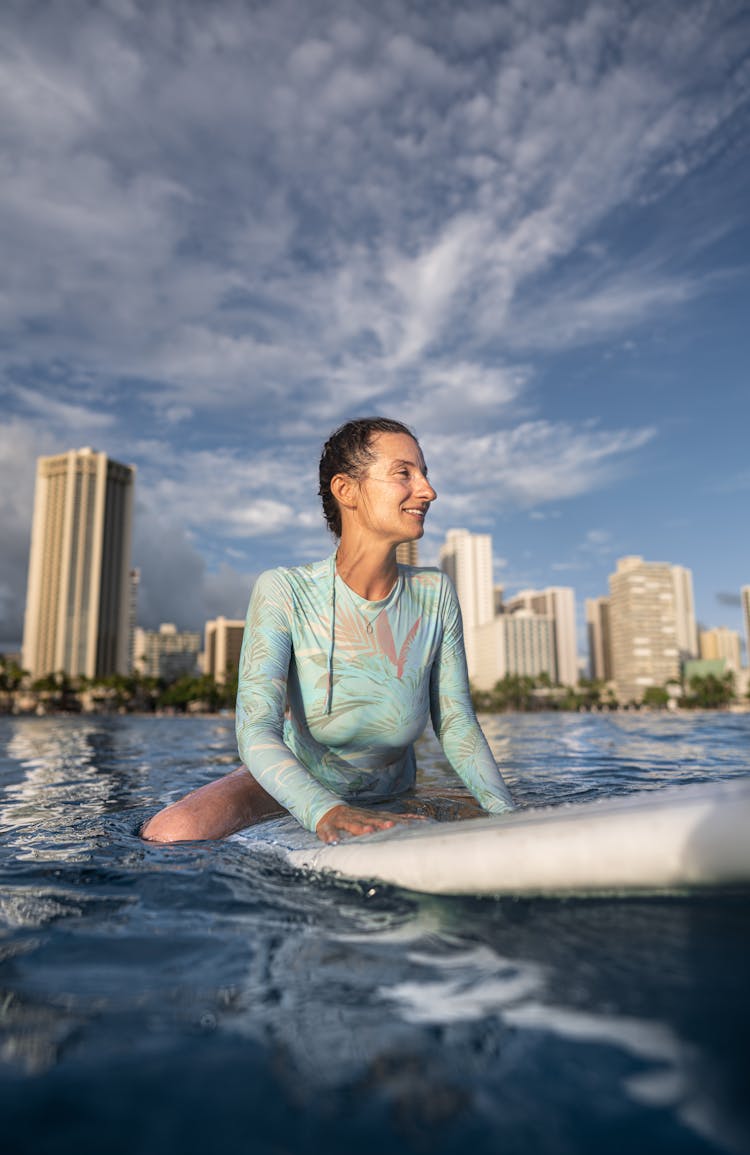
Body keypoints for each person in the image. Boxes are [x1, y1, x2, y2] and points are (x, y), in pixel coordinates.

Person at [142, 417, 513, 845]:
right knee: (170, 831)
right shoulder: (284, 591)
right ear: (346, 490)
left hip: (393, 793)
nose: (428, 490)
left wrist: (506, 814)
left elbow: (455, 723)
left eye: (425, 474)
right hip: (293, 787)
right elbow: (254, 730)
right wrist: (325, 811)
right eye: (404, 474)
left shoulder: (435, 593)